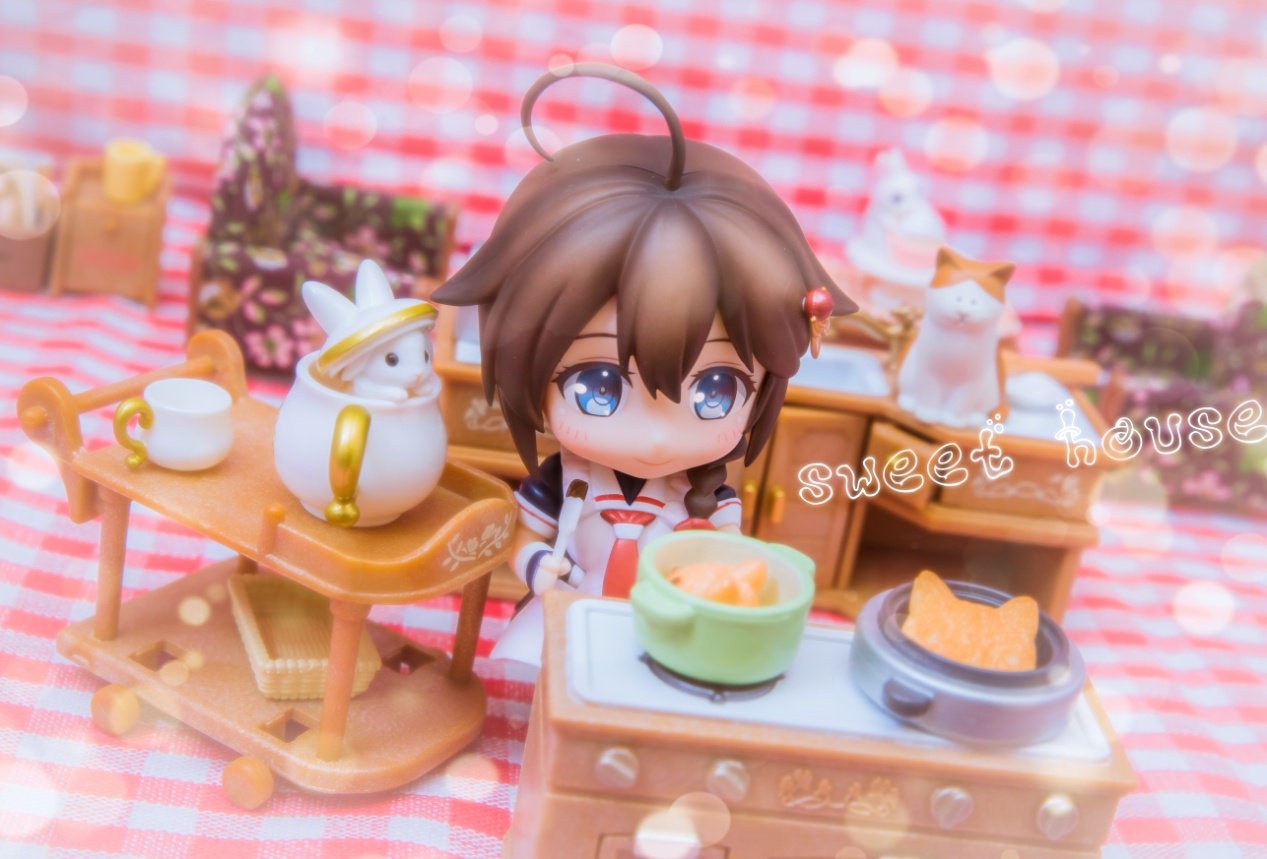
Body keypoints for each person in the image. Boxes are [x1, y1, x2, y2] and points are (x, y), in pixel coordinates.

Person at [433, 63, 855, 665]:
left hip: (661, 628)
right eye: (597, 386)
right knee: (527, 672)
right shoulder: (564, 478)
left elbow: (730, 560)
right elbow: (524, 534)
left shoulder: (706, 493)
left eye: (715, 389)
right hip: (570, 612)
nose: (656, 437)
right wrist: (536, 563)